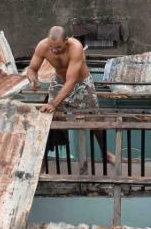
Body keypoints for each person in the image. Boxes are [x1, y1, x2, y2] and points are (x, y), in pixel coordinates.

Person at [26, 26, 114, 161]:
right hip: (59, 81)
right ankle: (46, 157)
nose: (54, 50)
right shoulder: (42, 46)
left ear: (66, 41)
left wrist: (53, 103)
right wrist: (33, 80)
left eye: (58, 47)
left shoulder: (76, 47)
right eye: (51, 47)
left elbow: (71, 82)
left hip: (80, 83)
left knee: (94, 119)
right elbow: (32, 68)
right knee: (51, 116)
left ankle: (105, 153)